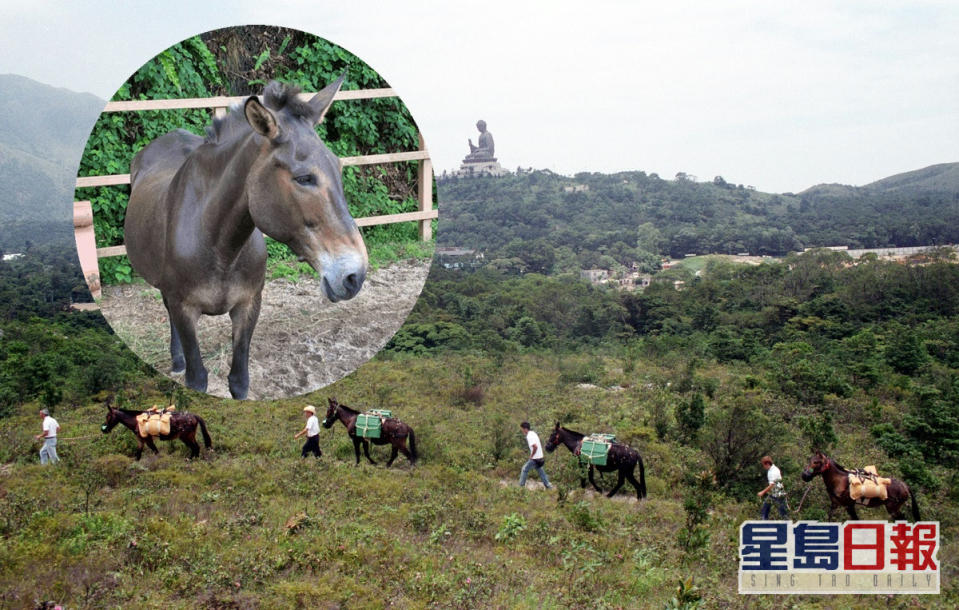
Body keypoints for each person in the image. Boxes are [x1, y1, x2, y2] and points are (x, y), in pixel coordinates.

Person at [518, 422, 551, 489]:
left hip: (535, 458)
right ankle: (548, 486)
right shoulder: (533, 433)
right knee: (541, 472)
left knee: (524, 469)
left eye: (522, 429)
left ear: (525, 429)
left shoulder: (529, 436)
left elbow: (535, 447)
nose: (522, 431)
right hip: (540, 457)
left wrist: (531, 456)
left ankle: (521, 487)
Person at [758, 455, 787, 519]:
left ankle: (787, 525)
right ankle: (764, 524)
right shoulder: (770, 470)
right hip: (773, 494)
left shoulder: (774, 471)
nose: (763, 467)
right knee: (765, 509)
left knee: (783, 512)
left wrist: (762, 492)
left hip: (779, 494)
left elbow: (772, 485)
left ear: (767, 464)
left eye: (763, 465)